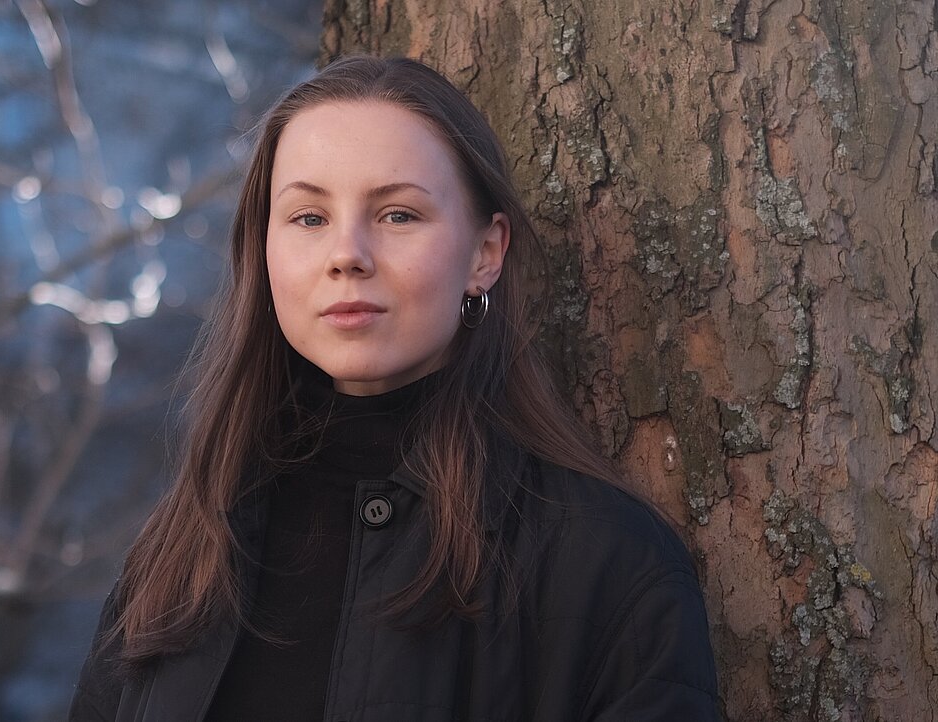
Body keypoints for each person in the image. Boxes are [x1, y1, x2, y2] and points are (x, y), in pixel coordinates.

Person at [68, 54, 721, 721]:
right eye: (309, 218)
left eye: (398, 215)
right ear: (263, 253)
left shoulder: (605, 559)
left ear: (484, 255)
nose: (346, 253)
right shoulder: (185, 548)